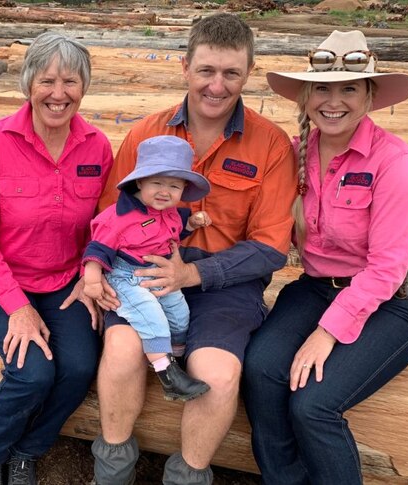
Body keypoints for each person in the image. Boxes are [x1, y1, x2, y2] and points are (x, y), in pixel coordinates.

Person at [90, 13, 297, 485]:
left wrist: (193, 276)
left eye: (231, 73)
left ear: (248, 74)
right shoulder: (147, 133)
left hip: (227, 282)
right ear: (185, 67)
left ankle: (186, 476)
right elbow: (108, 217)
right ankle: (113, 465)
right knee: (122, 348)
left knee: (218, 374)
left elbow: (269, 247)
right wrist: (95, 272)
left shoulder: (271, 145)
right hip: (141, 272)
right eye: (206, 71)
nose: (217, 86)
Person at [242, 30, 408, 485]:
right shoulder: (293, 155)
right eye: (323, 88)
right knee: (262, 370)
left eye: (349, 88)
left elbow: (387, 268)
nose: (334, 101)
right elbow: (259, 221)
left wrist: (327, 333)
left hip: (394, 299)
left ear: (369, 95)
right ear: (307, 95)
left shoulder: (394, 162)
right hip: (316, 287)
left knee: (314, 405)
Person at [0, 32, 114, 485]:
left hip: (64, 282)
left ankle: (29, 449)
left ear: (83, 87)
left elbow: (102, 227)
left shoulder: (97, 147)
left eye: (71, 81)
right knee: (31, 374)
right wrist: (18, 308)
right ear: (29, 84)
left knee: (81, 367)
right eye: (48, 80)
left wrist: (90, 276)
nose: (59, 94)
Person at [82, 135, 213, 402]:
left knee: (179, 314)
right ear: (139, 182)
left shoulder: (171, 213)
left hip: (157, 273)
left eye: (174, 186)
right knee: (151, 318)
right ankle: (168, 377)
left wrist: (192, 224)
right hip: (125, 277)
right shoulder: (117, 218)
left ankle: (174, 359)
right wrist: (93, 281)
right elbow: (97, 250)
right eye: (157, 183)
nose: (165, 191)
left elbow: (172, 233)